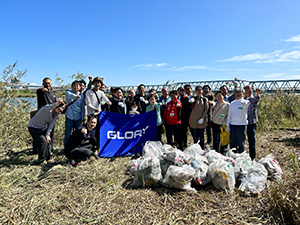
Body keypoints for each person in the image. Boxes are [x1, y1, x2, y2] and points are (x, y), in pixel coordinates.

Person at [28, 99, 66, 166]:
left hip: (42, 128)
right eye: (61, 107)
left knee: (48, 142)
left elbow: (51, 124)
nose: (62, 110)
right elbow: (50, 106)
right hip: (33, 127)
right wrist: (57, 103)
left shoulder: (57, 114)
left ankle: (48, 159)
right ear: (57, 106)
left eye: (63, 109)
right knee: (42, 142)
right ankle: (41, 161)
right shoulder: (47, 109)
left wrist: (48, 134)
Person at [85, 77, 112, 143]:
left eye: (99, 83)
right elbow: (88, 104)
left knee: (98, 131)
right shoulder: (89, 92)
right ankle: (90, 144)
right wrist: (94, 109)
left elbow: (105, 99)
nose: (97, 84)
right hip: (91, 114)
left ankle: (97, 145)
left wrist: (108, 102)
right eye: (96, 82)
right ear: (93, 83)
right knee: (91, 130)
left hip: (98, 114)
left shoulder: (101, 92)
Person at [34, 77, 57, 154]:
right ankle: (37, 150)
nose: (47, 85)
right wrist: (41, 90)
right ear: (43, 84)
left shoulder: (53, 94)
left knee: (50, 133)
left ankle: (50, 149)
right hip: (41, 117)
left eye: (49, 83)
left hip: (51, 116)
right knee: (40, 134)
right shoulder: (41, 92)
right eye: (46, 83)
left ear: (51, 84)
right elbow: (38, 91)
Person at [227, 88, 250, 153]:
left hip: (241, 125)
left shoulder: (245, 102)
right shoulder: (232, 103)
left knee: (241, 144)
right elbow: (229, 115)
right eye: (236, 92)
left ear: (243, 94)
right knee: (232, 144)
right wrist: (228, 125)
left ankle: (241, 158)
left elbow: (248, 104)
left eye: (240, 92)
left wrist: (245, 103)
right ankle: (233, 158)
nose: (238, 94)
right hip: (233, 125)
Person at [64, 80, 86, 147]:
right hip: (69, 116)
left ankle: (76, 147)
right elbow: (70, 96)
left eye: (77, 86)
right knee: (67, 134)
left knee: (77, 134)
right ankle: (66, 148)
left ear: (80, 87)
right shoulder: (68, 92)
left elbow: (82, 108)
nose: (76, 87)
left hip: (78, 117)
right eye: (74, 86)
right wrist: (76, 97)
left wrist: (82, 117)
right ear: (71, 86)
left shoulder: (82, 96)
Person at [244, 85, 260, 160]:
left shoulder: (253, 99)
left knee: (251, 141)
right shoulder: (243, 100)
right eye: (246, 89)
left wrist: (257, 93)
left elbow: (256, 98)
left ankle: (252, 157)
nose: (248, 90)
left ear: (252, 90)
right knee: (242, 141)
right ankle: (242, 156)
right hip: (243, 123)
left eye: (249, 89)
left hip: (251, 123)